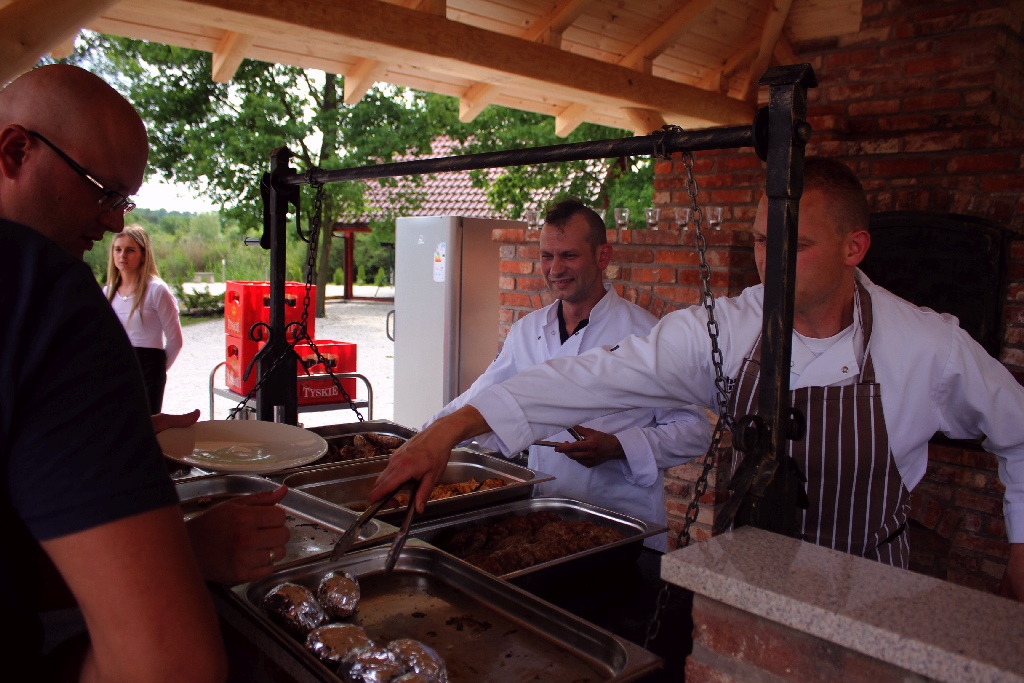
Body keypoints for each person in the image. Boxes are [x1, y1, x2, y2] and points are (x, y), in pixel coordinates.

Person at [371, 158, 1024, 601]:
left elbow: (1018, 433)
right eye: (763, 242)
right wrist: (451, 427)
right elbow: (590, 378)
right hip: (749, 587)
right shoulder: (728, 331)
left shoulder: (926, 346)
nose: (771, 263)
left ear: (854, 248)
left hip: (873, 590)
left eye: (795, 245)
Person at [2, 64, 276, 680]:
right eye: (103, 191)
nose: (111, 223)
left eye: (123, 203)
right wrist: (184, 552)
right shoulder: (40, 291)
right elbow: (166, 664)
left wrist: (87, 446)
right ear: (16, 150)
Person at [427, 199, 710, 550]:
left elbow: (695, 430)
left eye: (569, 256)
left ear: (602, 257)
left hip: (625, 525)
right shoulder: (527, 330)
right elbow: (482, 396)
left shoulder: (647, 335)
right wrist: (427, 436)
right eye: (547, 256)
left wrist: (618, 447)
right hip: (545, 516)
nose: (555, 269)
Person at [104, 224, 183, 412]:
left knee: (145, 429)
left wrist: (157, 372)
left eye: (130, 250)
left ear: (143, 255)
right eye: (118, 249)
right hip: (117, 368)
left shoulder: (156, 291)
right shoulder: (108, 293)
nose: (122, 255)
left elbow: (175, 341)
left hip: (148, 370)